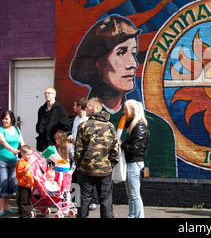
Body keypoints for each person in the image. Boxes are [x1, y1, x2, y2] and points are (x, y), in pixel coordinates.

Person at [70, 15, 175, 177]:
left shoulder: (157, 128)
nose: (133, 63)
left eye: (133, 53)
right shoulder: (78, 125)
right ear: (95, 62)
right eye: (121, 52)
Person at [74, 97, 119, 218]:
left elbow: (78, 150)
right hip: (104, 170)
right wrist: (110, 165)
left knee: (84, 201)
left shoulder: (83, 126)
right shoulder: (110, 127)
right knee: (106, 201)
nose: (85, 108)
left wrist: (78, 165)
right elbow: (115, 151)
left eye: (87, 106)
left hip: (86, 170)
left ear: (93, 109)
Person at [120, 99, 149, 218]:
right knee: (131, 194)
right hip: (132, 163)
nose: (123, 112)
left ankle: (138, 216)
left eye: (125, 109)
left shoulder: (139, 126)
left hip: (134, 164)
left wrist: (121, 145)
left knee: (134, 194)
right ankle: (132, 216)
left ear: (133, 110)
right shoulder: (135, 125)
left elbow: (135, 148)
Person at [0, 110, 24, 216]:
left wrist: (28, 152)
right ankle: (1, 208)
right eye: (3, 119)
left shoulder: (17, 130)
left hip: (14, 162)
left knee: (11, 184)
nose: (4, 121)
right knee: (3, 184)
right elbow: (3, 142)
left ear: (12, 119)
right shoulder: (1, 130)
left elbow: (22, 143)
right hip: (3, 161)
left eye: (6, 119)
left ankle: (7, 206)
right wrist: (12, 150)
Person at [36, 87, 70, 152]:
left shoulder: (60, 109)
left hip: (54, 142)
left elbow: (66, 126)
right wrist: (39, 129)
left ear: (54, 95)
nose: (47, 95)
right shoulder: (42, 109)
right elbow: (39, 123)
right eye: (45, 93)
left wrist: (54, 129)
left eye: (49, 93)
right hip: (42, 142)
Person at [15, 145, 34, 218]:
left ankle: (28, 213)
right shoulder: (20, 162)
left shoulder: (28, 162)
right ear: (22, 154)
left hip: (29, 185)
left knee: (28, 201)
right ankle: (23, 215)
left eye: (30, 155)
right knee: (23, 201)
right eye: (28, 154)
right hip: (23, 185)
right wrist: (24, 170)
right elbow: (18, 173)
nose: (29, 156)